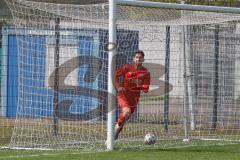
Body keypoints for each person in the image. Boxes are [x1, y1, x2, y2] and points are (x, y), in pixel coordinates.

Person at [114, 50, 151, 140]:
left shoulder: (146, 72)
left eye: (140, 57)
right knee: (126, 111)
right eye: (137, 57)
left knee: (125, 118)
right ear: (133, 59)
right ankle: (112, 134)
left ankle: (114, 135)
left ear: (143, 59)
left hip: (134, 99)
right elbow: (114, 75)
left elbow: (146, 89)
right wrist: (118, 86)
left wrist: (142, 86)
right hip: (123, 95)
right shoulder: (127, 68)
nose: (138, 59)